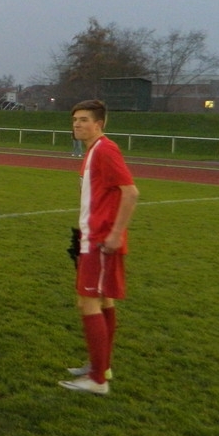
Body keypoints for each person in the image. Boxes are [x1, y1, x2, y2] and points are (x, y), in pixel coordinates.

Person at [59, 99, 139, 396]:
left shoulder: (105, 149)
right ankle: (100, 366)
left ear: (99, 124)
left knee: (87, 303)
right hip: (92, 236)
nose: (77, 124)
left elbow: (130, 193)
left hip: (101, 240)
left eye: (83, 120)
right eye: (75, 120)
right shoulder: (93, 150)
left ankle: (97, 380)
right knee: (103, 301)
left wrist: (115, 234)